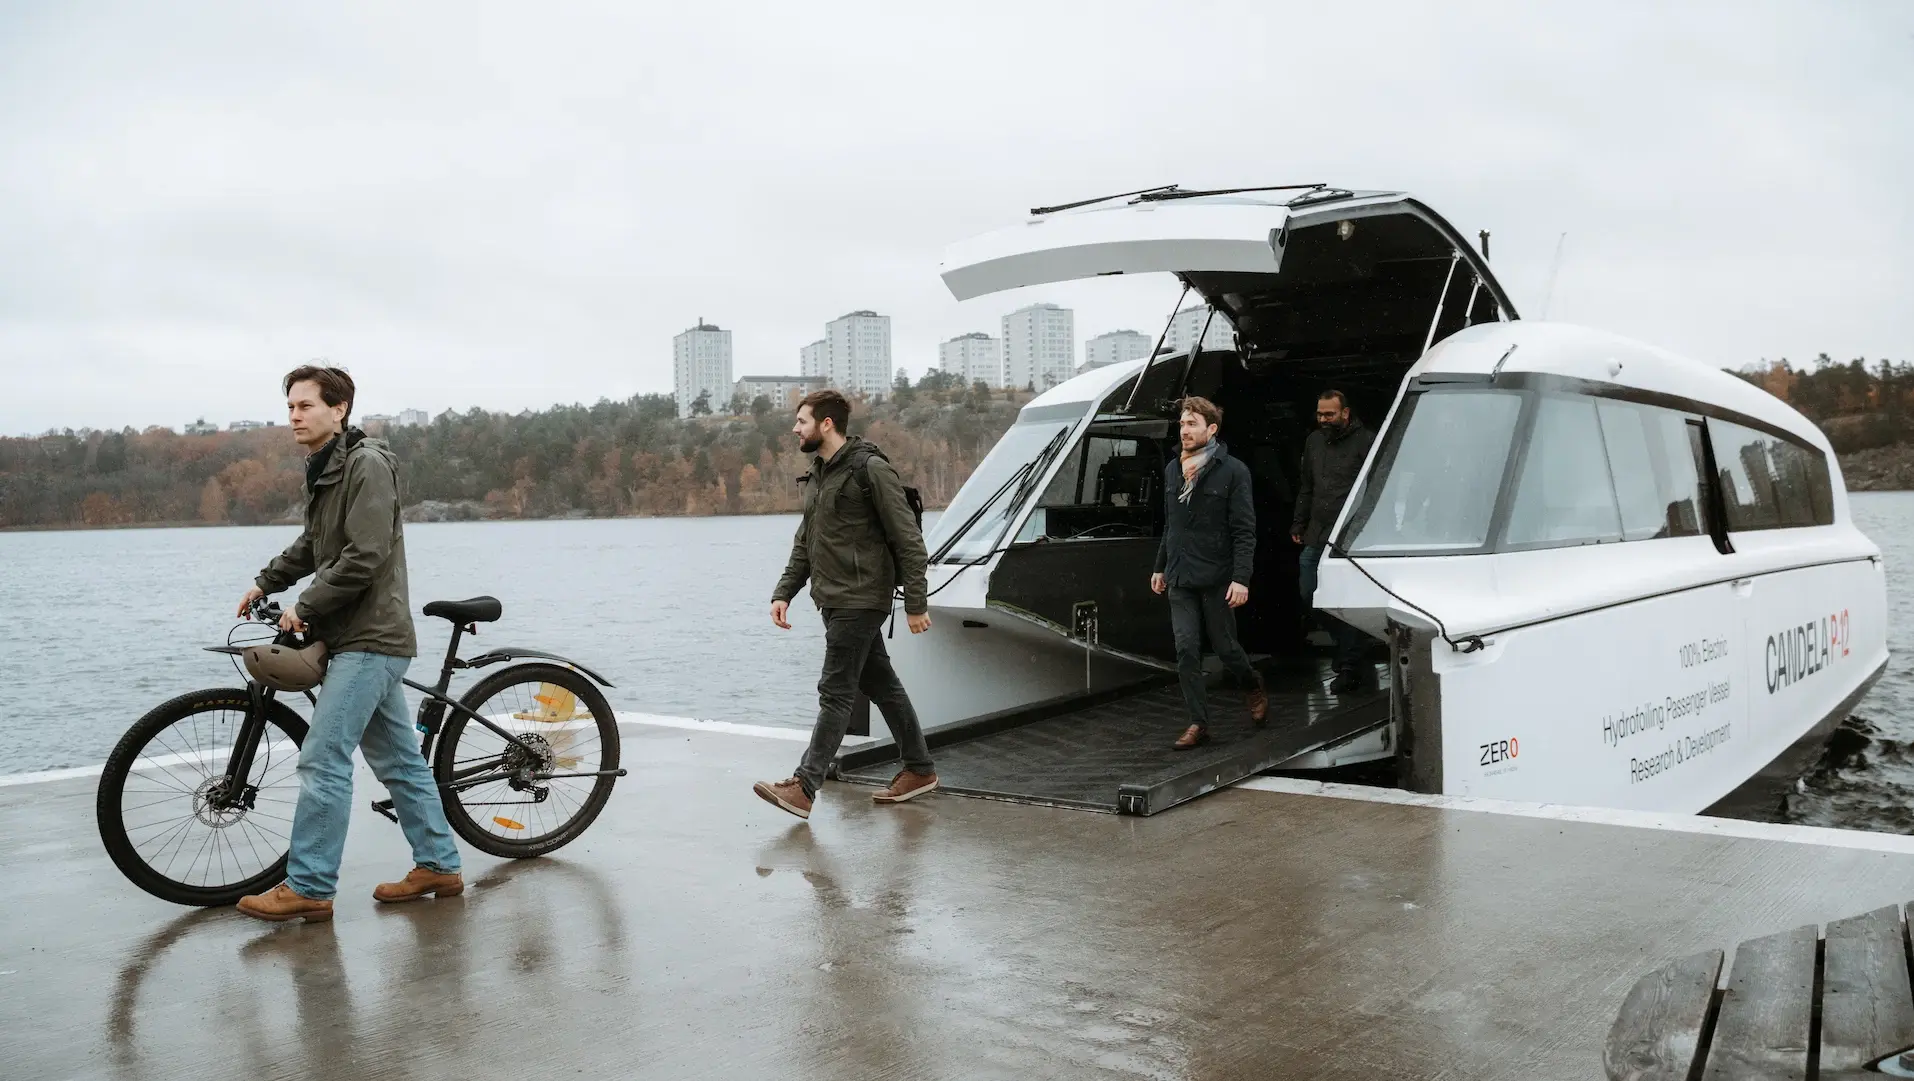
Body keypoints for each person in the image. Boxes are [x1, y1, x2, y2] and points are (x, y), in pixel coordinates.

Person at [233, 365, 462, 922]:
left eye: (305, 405)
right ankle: (439, 864)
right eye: (289, 407)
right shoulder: (326, 470)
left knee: (322, 758)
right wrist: (267, 580)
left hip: (371, 637)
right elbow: (314, 544)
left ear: (339, 409)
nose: (294, 416)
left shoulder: (367, 467)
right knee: (400, 762)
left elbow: (365, 556)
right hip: (353, 636)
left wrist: (304, 606)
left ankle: (309, 887)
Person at [755, 389, 938, 820]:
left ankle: (804, 785)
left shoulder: (870, 469)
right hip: (833, 600)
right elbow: (807, 542)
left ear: (826, 424)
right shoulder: (819, 473)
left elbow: (908, 541)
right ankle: (920, 768)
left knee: (835, 692)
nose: (794, 429)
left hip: (861, 599)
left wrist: (916, 602)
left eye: (801, 421)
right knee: (880, 684)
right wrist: (784, 592)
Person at [1151, 396, 1268, 750]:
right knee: (1186, 649)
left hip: (1217, 577)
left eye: (1192, 424)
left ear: (1211, 429)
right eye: (1182, 424)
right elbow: (1173, 525)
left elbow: (1244, 530)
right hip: (1180, 577)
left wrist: (1241, 578)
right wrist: (1159, 567)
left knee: (1226, 647)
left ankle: (1251, 684)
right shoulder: (1173, 469)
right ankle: (1198, 723)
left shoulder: (1233, 471)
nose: (1184, 430)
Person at [1291, 389, 1377, 694]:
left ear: (1345, 413)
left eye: (1329, 414)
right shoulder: (1314, 441)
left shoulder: (1367, 440)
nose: (1323, 419)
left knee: (1344, 598)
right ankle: (1353, 644)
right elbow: (1307, 486)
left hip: (1349, 538)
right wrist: (1299, 522)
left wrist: (1363, 529)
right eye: (1319, 414)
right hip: (1316, 531)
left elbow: (1376, 489)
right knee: (1309, 594)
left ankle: (1349, 663)